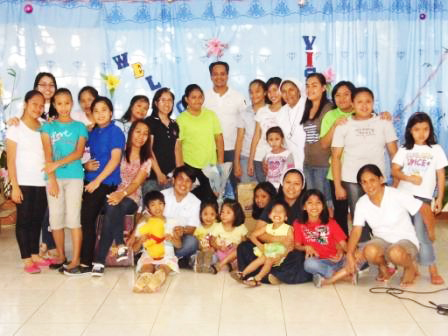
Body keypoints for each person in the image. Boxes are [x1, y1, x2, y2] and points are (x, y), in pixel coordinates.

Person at [346, 164, 435, 287]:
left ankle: (410, 268)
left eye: (372, 180)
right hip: (381, 240)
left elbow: (424, 207)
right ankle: (384, 267)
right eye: (364, 182)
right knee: (369, 251)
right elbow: (356, 230)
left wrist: (431, 231)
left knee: (395, 253)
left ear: (381, 179)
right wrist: (349, 254)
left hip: (405, 241)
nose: (369, 185)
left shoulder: (396, 194)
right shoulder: (362, 202)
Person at [332, 87, 398, 241]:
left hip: (378, 179)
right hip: (351, 179)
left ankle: (383, 249)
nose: (364, 105)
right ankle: (363, 251)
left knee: (381, 213)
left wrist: (397, 178)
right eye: (359, 102)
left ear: (373, 103)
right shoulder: (344, 124)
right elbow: (336, 157)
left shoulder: (384, 122)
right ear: (353, 104)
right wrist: (337, 186)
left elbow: (394, 153)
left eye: (368, 101)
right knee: (358, 215)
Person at [91, 120, 152, 277]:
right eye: (138, 131)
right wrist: (116, 194)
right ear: (131, 132)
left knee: (114, 206)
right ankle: (120, 244)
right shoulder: (120, 152)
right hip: (111, 192)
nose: (141, 136)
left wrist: (122, 194)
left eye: (145, 134)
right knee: (112, 206)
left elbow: (137, 182)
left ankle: (99, 260)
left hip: (130, 197)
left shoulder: (147, 160)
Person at [392, 112, 447, 285]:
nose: (421, 133)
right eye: (417, 129)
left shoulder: (436, 150)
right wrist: (409, 179)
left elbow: (440, 175)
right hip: (403, 197)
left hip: (422, 199)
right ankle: (412, 267)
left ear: (430, 130)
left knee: (422, 234)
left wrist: (439, 198)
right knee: (406, 233)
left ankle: (432, 270)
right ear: (410, 131)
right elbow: (395, 170)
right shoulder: (404, 149)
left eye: (425, 129)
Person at [40, 88, 88, 275]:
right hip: (53, 179)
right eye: (59, 103)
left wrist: (56, 164)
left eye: (67, 103)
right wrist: (51, 178)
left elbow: (78, 153)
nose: (63, 107)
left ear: (71, 103)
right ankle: (61, 255)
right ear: (53, 105)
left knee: (74, 218)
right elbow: (47, 155)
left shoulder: (79, 127)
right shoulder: (48, 127)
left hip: (75, 176)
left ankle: (75, 258)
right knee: (55, 218)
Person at [236, 168, 312, 284]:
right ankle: (263, 275)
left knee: (300, 257)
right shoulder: (274, 203)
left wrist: (287, 245)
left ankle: (267, 275)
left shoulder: (306, 205)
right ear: (282, 183)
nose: (291, 187)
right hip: (269, 249)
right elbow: (258, 231)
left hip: (291, 250)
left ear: (302, 186)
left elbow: (310, 235)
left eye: (296, 184)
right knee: (243, 247)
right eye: (288, 182)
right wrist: (276, 239)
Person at [6, 90, 53, 273]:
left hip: (41, 182)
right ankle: (26, 259)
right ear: (25, 103)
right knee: (24, 221)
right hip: (23, 181)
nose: (38, 108)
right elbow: (10, 160)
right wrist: (14, 186)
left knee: (37, 220)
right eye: (34, 104)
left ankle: (34, 253)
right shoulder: (15, 127)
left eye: (42, 105)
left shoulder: (44, 126)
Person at [80, 96, 126, 273]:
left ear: (111, 113)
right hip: (90, 180)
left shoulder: (115, 132)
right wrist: (85, 167)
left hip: (105, 183)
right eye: (96, 111)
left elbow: (115, 160)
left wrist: (97, 182)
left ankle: (85, 263)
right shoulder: (93, 132)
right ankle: (84, 259)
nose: (100, 114)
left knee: (87, 219)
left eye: (104, 110)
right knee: (85, 219)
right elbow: (82, 154)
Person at [204, 61, 246, 197]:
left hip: (232, 150)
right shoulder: (204, 98)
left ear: (227, 75)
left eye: (222, 74)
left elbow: (242, 128)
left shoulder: (238, 97)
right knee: (213, 190)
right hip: (210, 150)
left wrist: (237, 158)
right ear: (210, 76)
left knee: (233, 190)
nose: (219, 77)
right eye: (215, 74)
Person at [319, 81, 356, 235]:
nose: (341, 98)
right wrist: (334, 126)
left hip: (360, 173)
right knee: (340, 215)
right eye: (337, 95)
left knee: (361, 213)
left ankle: (364, 246)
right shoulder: (331, 115)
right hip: (337, 173)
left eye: (346, 94)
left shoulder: (361, 112)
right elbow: (324, 144)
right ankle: (344, 246)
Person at [177, 84, 224, 201]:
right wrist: (181, 169)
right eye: (193, 97)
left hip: (211, 166)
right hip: (190, 166)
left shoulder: (210, 115)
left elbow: (219, 139)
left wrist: (220, 164)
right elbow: (178, 146)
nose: (197, 100)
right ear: (187, 99)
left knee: (211, 200)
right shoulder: (181, 119)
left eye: (200, 97)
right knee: (192, 200)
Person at [293, 189, 348, 288]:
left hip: (338, 260)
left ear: (323, 206)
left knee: (360, 254)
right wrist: (306, 247)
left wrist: (342, 252)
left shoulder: (331, 222)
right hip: (319, 262)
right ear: (304, 207)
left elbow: (343, 243)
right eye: (310, 203)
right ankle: (342, 276)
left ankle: (327, 275)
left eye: (318, 203)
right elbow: (296, 245)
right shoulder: (299, 224)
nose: (314, 206)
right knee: (308, 264)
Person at [233, 200, 293, 286]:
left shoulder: (288, 228)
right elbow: (253, 235)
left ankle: (257, 279)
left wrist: (282, 255)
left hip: (280, 253)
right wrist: (259, 244)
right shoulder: (267, 227)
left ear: (286, 217)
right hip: (268, 250)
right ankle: (243, 273)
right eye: (275, 211)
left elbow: (291, 245)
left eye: (281, 211)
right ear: (269, 215)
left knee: (268, 261)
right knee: (260, 260)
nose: (277, 213)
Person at [131, 191, 179, 293]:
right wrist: (140, 241)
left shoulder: (172, 222)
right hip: (148, 255)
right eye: (153, 205)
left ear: (164, 205)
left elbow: (179, 244)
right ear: (148, 209)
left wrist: (172, 238)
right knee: (147, 268)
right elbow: (134, 249)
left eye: (160, 203)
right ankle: (142, 282)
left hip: (167, 256)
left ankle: (156, 282)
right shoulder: (144, 224)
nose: (157, 207)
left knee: (163, 269)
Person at [301, 73, 333, 208]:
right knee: (312, 205)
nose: (310, 89)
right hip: (308, 164)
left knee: (325, 204)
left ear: (323, 88)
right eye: (307, 86)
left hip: (324, 165)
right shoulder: (306, 107)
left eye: (314, 85)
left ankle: (327, 229)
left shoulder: (329, 108)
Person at [161, 166, 201, 268]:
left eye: (188, 181)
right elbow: (148, 216)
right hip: (161, 236)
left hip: (178, 239)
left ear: (191, 185)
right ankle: (174, 258)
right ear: (173, 180)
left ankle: (167, 257)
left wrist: (182, 230)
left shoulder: (195, 202)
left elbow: (192, 228)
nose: (184, 184)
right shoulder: (162, 195)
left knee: (192, 242)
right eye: (181, 179)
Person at [143, 88, 181, 195]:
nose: (167, 103)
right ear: (156, 103)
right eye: (163, 100)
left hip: (171, 178)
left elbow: (177, 150)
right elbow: (148, 149)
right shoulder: (150, 122)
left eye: (170, 100)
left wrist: (178, 175)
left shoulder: (174, 124)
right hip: (153, 177)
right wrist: (159, 173)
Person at [248, 77, 283, 182]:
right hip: (259, 158)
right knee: (264, 191)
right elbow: (256, 137)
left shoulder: (288, 111)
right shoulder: (262, 111)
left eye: (275, 90)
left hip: (279, 158)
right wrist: (250, 160)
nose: (272, 94)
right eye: (269, 91)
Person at [234, 79, 266, 183]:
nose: (253, 95)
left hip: (265, 158)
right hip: (246, 157)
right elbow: (239, 139)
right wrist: (237, 162)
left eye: (257, 91)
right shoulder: (244, 113)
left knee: (266, 192)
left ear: (265, 93)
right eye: (251, 92)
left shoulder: (270, 111)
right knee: (247, 194)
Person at [276, 78, 307, 169]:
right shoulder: (281, 112)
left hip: (310, 161)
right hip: (291, 160)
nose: (288, 94)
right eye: (284, 91)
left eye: (291, 90)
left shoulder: (308, 106)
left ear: (298, 90)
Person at [192, 200, 220, 273]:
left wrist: (214, 249)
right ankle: (201, 263)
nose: (208, 217)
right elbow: (195, 242)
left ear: (216, 215)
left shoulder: (218, 226)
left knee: (214, 258)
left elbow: (220, 241)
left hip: (213, 252)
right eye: (205, 214)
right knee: (193, 256)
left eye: (212, 214)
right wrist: (202, 248)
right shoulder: (198, 228)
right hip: (202, 251)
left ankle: (204, 264)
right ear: (200, 214)